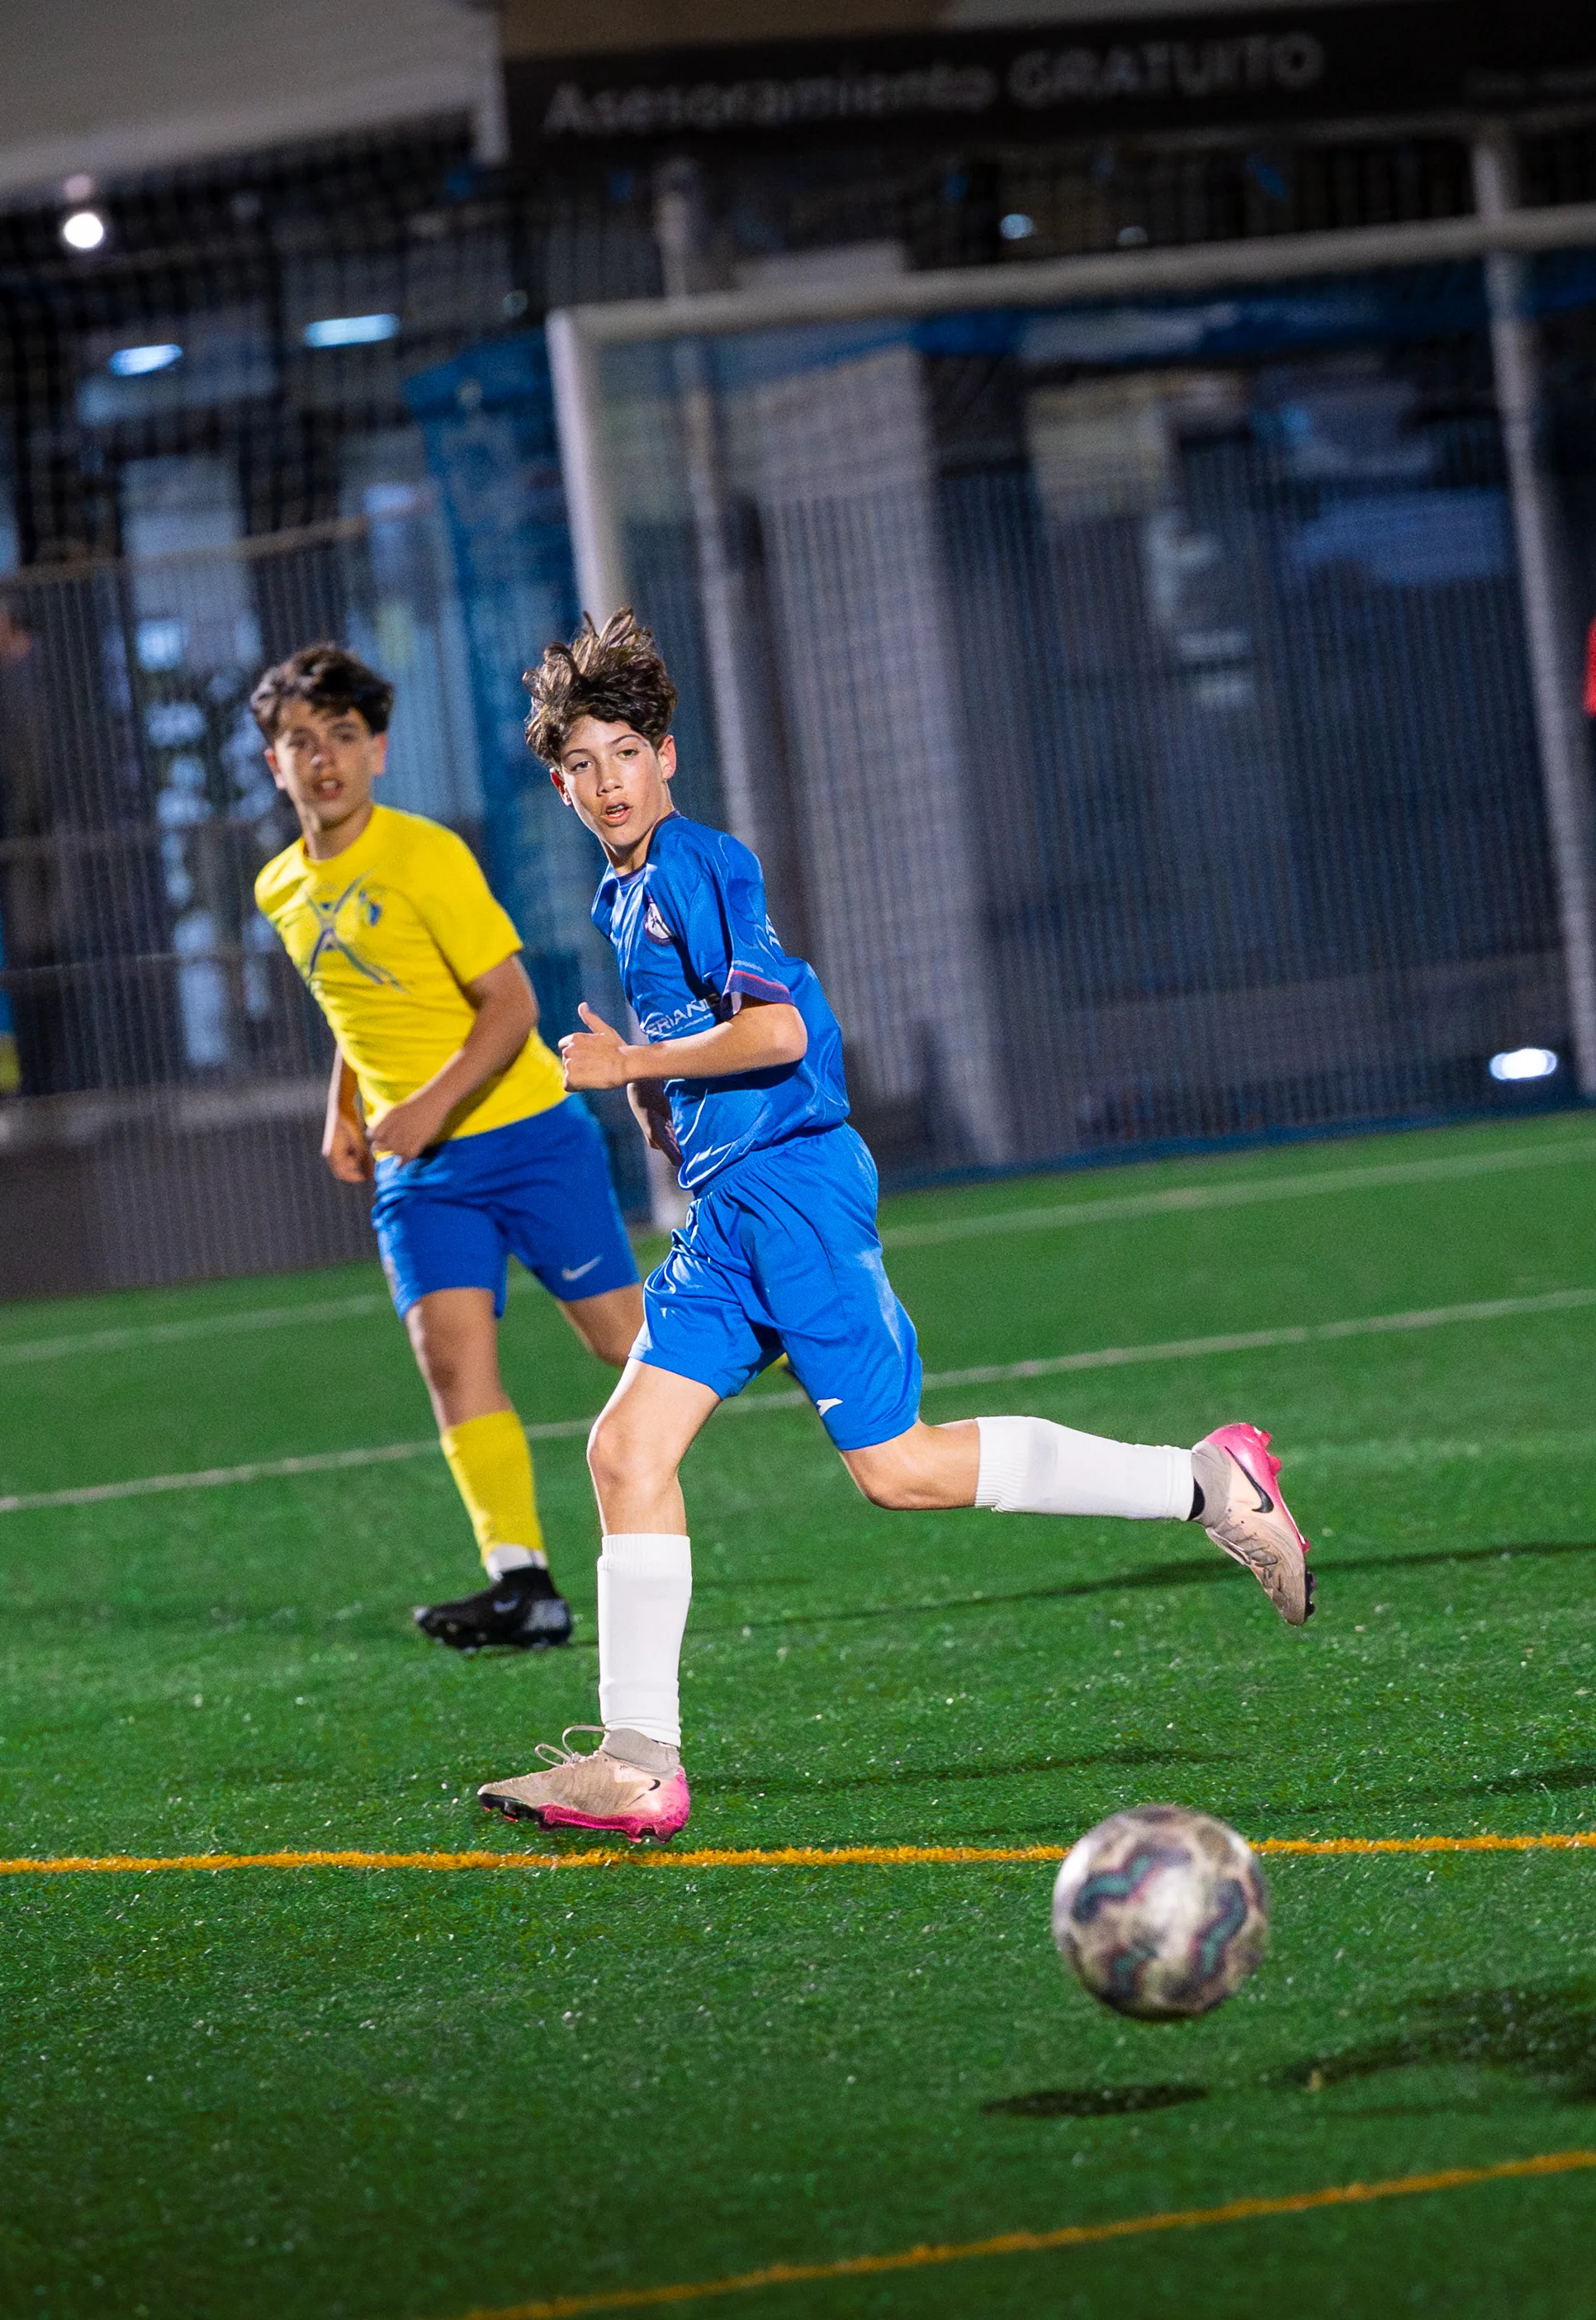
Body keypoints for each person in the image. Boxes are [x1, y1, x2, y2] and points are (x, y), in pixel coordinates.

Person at [479, 611, 1313, 1843]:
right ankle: (639, 1765)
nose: (607, 781)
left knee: (898, 1470)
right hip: (728, 1213)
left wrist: (630, 1066)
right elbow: (708, 1045)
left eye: (626, 752)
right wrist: (664, 1106)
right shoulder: (622, 896)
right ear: (559, 784)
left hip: (796, 1189)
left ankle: (1200, 1483)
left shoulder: (704, 864)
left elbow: (782, 1035)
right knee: (623, 1453)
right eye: (583, 764)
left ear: (668, 757)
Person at [251, 643, 643, 1650]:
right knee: (451, 1360)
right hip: (421, 1176)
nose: (325, 757)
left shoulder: (424, 853)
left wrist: (423, 1106)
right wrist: (344, 1102)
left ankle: (791, 1337)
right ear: (274, 764)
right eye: (302, 741)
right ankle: (523, 1585)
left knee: (622, 1342)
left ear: (378, 751)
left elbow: (509, 1007)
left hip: (523, 1136)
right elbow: (359, 1001)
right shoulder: (279, 889)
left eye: (344, 735)